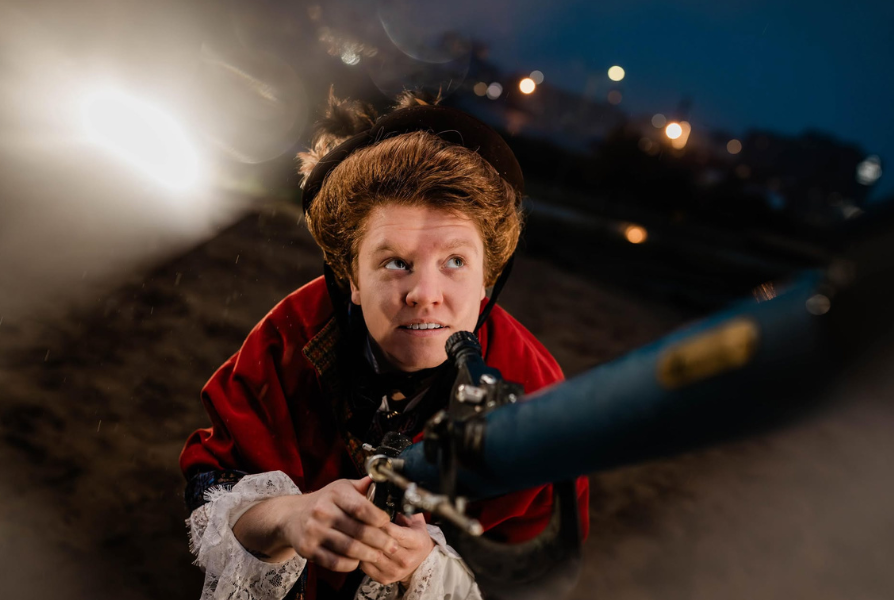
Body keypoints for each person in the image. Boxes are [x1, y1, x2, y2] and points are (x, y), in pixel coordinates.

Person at [179, 90, 590, 600]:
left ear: (489, 278)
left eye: (455, 261)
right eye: (395, 261)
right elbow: (212, 485)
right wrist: (290, 517)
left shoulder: (536, 394)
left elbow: (536, 576)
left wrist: (432, 568)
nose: (425, 294)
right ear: (352, 276)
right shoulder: (289, 336)